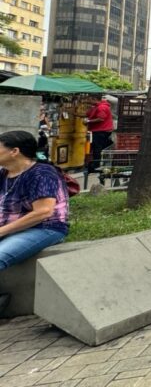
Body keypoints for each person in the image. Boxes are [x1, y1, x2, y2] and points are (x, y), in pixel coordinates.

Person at [0, 130, 70, 312]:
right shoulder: (3, 174)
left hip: (45, 228)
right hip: (10, 227)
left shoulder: (42, 173)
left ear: (14, 151)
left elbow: (43, 212)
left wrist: (2, 231)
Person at [84, 95, 113, 173]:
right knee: (95, 148)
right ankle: (94, 164)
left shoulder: (101, 107)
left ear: (94, 99)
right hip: (99, 130)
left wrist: (88, 121)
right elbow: (87, 114)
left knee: (97, 148)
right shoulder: (96, 107)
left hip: (101, 131)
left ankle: (96, 166)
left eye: (89, 99)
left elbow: (101, 118)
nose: (88, 101)